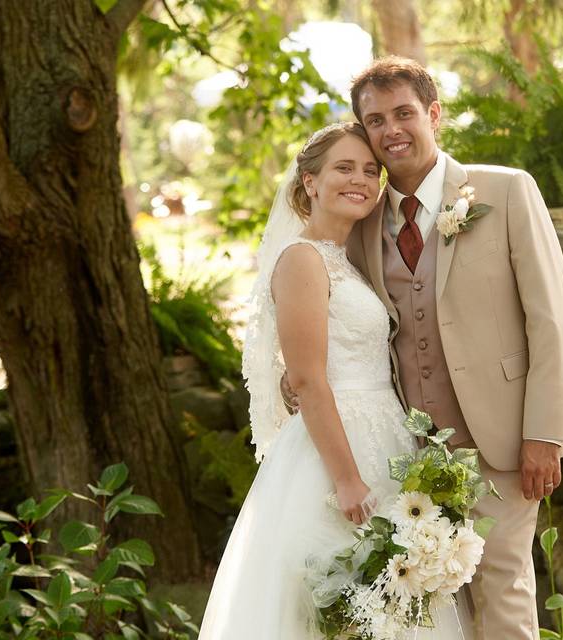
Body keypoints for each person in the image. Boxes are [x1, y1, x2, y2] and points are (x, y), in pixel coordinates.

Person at [197, 122, 471, 638]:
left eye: (371, 171)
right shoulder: (302, 259)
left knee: (391, 608)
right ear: (309, 182)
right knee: (339, 610)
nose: (361, 180)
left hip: (382, 435)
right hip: (335, 454)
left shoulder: (347, 260)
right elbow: (306, 379)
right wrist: (346, 479)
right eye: (344, 168)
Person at [343, 57, 563, 640]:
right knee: (440, 603)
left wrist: (545, 432)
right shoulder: (363, 224)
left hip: (503, 438)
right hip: (412, 453)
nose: (391, 129)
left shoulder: (504, 190)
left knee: (504, 586)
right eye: (375, 120)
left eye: (403, 113)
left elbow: (551, 318)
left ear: (434, 115)